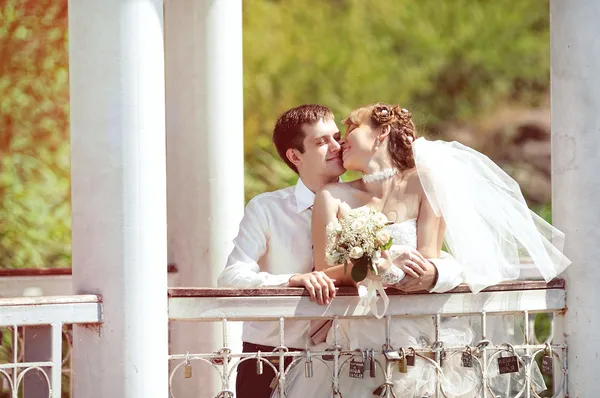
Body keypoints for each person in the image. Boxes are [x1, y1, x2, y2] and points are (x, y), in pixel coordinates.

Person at [280, 103, 571, 397]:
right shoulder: (331, 196)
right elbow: (325, 268)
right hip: (358, 338)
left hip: (421, 332)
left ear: (382, 133)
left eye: (352, 128)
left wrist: (428, 272)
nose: (342, 140)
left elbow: (429, 254)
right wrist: (371, 268)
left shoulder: (425, 182)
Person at [217, 104, 465, 398]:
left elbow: (436, 256)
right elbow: (231, 277)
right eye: (322, 142)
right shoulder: (267, 208)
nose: (338, 145)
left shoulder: (361, 199)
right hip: (273, 352)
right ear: (295, 156)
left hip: (354, 352)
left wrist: (433, 273)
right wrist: (293, 279)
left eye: (338, 136)